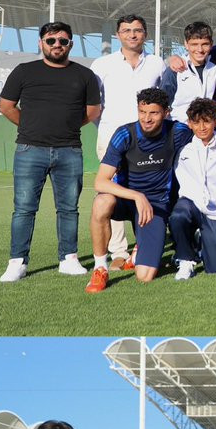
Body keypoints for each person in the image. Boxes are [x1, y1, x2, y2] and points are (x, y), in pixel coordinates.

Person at [0, 21, 100, 282]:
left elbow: (92, 112)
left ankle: (69, 259)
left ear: (71, 44)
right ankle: (17, 262)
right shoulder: (24, 71)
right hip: (30, 150)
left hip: (70, 151)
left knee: (68, 209)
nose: (57, 45)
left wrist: (66, 127)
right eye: (51, 40)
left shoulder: (84, 75)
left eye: (63, 41)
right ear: (41, 43)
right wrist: (31, 127)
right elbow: (6, 105)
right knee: (24, 209)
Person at [85, 87, 192, 292]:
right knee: (102, 201)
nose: (147, 118)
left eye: (154, 113)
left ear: (166, 112)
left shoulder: (178, 132)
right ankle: (100, 269)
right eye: (142, 112)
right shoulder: (125, 134)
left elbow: (205, 136)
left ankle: (138, 253)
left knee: (144, 276)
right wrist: (137, 196)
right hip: (127, 200)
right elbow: (100, 182)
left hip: (156, 205)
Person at [91, 14, 168, 269]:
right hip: (112, 138)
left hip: (148, 140)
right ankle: (118, 251)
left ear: (145, 34)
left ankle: (142, 245)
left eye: (137, 30)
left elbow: (164, 99)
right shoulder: (102, 64)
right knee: (112, 191)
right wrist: (105, 127)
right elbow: (94, 104)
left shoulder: (157, 63)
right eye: (126, 30)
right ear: (118, 35)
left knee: (146, 187)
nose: (132, 35)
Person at [169, 98, 216, 280]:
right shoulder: (181, 146)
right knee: (178, 216)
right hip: (191, 204)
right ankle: (185, 260)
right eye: (196, 122)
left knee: (214, 268)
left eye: (207, 122)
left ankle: (209, 239)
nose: (201, 127)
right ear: (189, 124)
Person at [161, 21, 216, 124]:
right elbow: (161, 102)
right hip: (179, 126)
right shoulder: (174, 71)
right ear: (186, 44)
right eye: (194, 44)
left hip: (205, 128)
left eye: (205, 44)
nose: (200, 49)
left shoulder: (214, 69)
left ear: (211, 44)